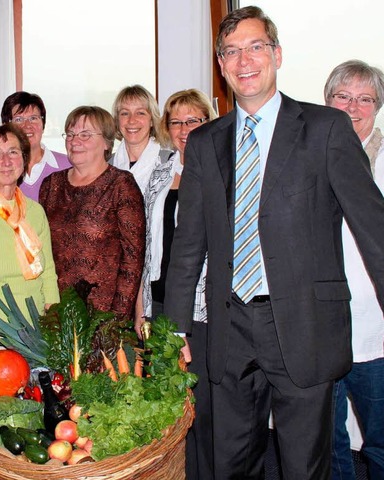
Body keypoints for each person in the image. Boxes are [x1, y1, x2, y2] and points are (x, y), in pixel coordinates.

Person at [165, 6, 384, 479]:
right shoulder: (205, 142)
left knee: (306, 467)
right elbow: (188, 243)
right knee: (231, 465)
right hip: (229, 330)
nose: (244, 60)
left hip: (304, 327)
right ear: (221, 67)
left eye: (255, 46)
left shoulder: (326, 129)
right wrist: (175, 327)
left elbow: (374, 229)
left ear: (277, 55)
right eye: (231, 51)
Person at [136, 89, 216, 480]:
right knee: (168, 403)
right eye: (177, 122)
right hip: (160, 302)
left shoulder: (220, 169)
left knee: (201, 405)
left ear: (209, 122)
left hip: (202, 308)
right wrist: (141, 304)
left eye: (194, 120)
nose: (185, 130)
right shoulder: (161, 170)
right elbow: (146, 241)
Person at [324, 60, 384, 480]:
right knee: (329, 446)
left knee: (381, 442)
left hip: (376, 334)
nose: (352, 107)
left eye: (365, 99)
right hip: (321, 332)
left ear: (378, 108)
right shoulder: (307, 161)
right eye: (342, 97)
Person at [40, 106, 145, 320]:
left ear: (106, 142)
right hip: (56, 312)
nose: (74, 141)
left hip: (103, 316)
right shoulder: (51, 185)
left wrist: (116, 321)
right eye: (70, 134)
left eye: (85, 135)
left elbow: (133, 260)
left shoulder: (121, 185)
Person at [0, 123, 59, 320]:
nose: (6, 161)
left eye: (14, 152)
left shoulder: (35, 211)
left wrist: (54, 322)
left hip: (36, 329)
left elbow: (48, 273)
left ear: (24, 161)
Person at [0, 91, 70, 200]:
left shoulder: (68, 166)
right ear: (6, 127)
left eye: (33, 118)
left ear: (43, 124)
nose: (27, 125)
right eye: (19, 119)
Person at [110, 85, 163, 193]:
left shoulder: (169, 163)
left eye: (140, 113)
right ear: (117, 120)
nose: (132, 120)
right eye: (125, 113)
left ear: (152, 120)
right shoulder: (106, 166)